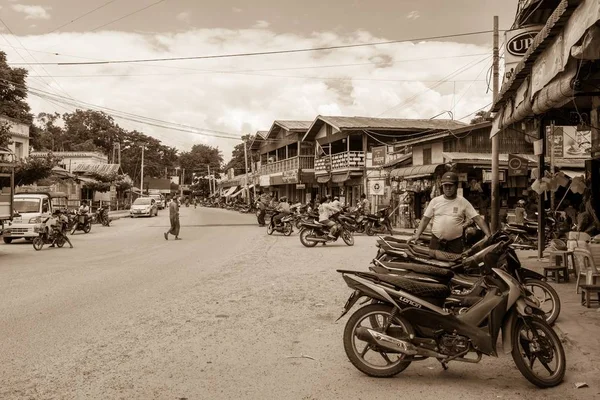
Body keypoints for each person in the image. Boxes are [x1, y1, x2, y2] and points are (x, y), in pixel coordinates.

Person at [411, 172, 491, 254]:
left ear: (456, 186)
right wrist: (417, 235)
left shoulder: (462, 201)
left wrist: (489, 235)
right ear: (442, 187)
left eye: (450, 185)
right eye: (445, 186)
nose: (448, 188)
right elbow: (425, 219)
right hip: (436, 241)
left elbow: (477, 218)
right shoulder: (435, 201)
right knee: (433, 265)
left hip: (455, 243)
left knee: (455, 265)